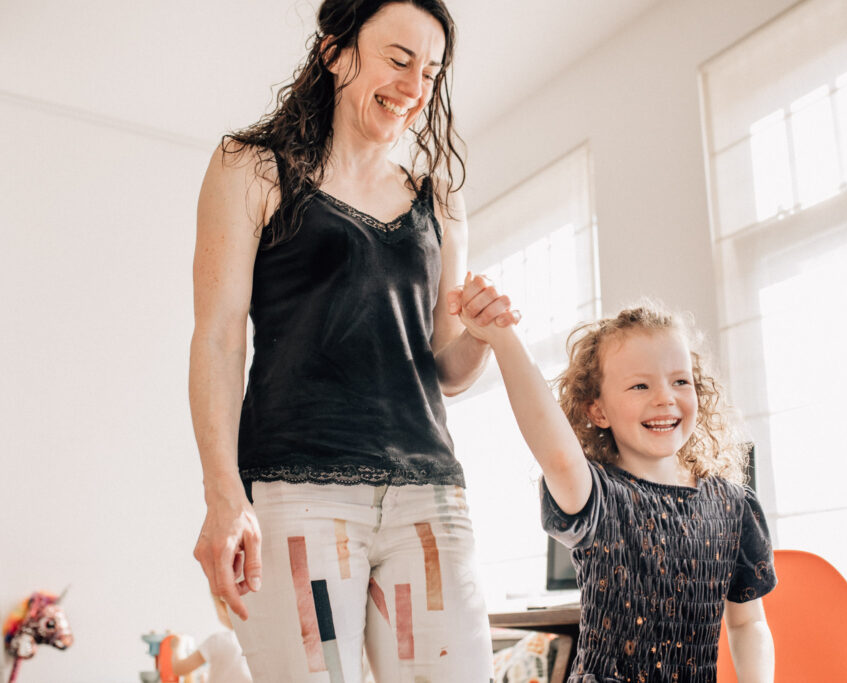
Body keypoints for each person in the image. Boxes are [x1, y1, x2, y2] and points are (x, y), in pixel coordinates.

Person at [188, 1, 516, 680]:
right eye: (399, 59)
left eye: (430, 72)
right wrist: (224, 496)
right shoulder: (250, 169)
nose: (414, 86)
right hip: (296, 487)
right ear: (337, 50)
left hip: (428, 491)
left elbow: (447, 366)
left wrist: (482, 335)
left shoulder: (440, 201)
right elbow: (219, 338)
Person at [448, 295, 777, 682]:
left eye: (680, 381)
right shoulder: (595, 494)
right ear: (598, 410)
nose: (664, 397)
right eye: (640, 385)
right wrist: (504, 337)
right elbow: (557, 454)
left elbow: (747, 623)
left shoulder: (733, 506)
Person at [170, 596, 252, 683]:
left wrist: (177, 647)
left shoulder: (219, 640)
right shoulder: (253, 643)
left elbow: (180, 668)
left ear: (223, 608)